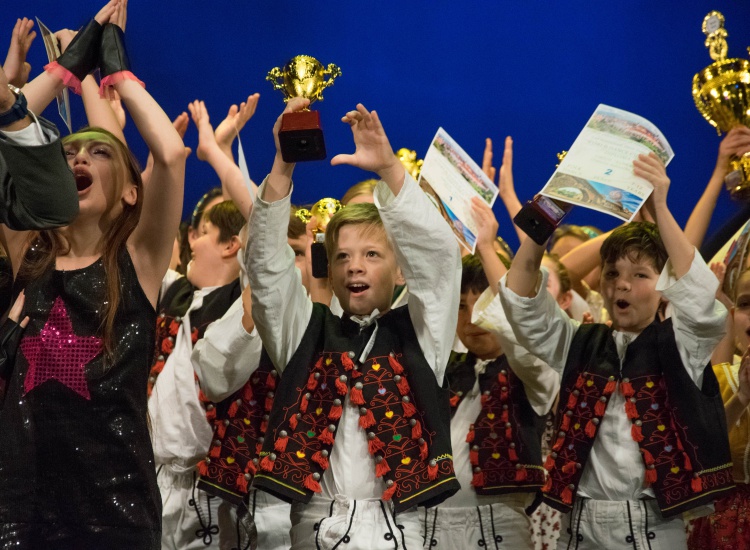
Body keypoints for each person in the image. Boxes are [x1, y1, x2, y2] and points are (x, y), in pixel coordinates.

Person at [0, 1, 187, 546]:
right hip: (20, 509)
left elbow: (170, 155)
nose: (78, 158)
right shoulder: (26, 250)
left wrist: (116, 72)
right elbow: (10, 138)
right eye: (67, 153)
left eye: (98, 153)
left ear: (130, 191)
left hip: (114, 511)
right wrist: (61, 70)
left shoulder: (139, 260)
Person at [237, 99, 461, 549]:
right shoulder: (305, 332)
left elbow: (439, 260)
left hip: (398, 527)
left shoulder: (422, 332)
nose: (354, 266)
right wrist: (283, 165)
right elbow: (265, 269)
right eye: (342, 256)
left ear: (401, 271)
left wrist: (390, 170)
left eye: (371, 254)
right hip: (315, 523)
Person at [500, 152, 732, 549]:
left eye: (640, 275)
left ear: (665, 287)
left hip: (653, 527)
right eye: (612, 273)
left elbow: (699, 298)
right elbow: (521, 303)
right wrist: (548, 211)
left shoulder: (683, 343)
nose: (622, 284)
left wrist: (660, 207)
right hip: (579, 527)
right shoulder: (579, 342)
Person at [422, 206, 559, 549]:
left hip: (499, 526)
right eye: (461, 306)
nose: (471, 319)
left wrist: (485, 249)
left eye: (483, 305)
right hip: (428, 527)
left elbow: (522, 326)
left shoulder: (533, 371)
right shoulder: (445, 371)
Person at [688, 268, 750, 549]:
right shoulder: (719, 380)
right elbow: (700, 449)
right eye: (746, 304)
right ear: (733, 315)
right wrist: (741, 398)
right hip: (726, 525)